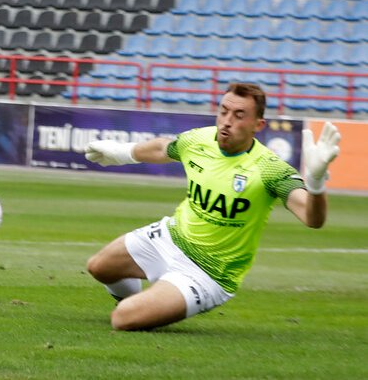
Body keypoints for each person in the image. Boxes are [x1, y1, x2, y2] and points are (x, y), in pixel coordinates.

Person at [84, 83, 340, 330]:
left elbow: (312, 218)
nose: (227, 121)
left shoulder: (270, 169)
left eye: (239, 115)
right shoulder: (200, 140)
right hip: (170, 237)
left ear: (257, 125)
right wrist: (122, 151)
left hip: (208, 272)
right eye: (224, 111)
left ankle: (144, 307)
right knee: (99, 267)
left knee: (123, 319)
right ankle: (140, 304)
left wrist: (316, 182)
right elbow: (164, 147)